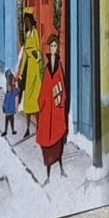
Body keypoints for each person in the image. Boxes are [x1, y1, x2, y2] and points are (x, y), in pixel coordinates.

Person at [34, 38, 67, 180]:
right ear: (49, 47)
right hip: (48, 107)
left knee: (57, 139)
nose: (53, 48)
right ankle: (47, 174)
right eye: (51, 46)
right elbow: (45, 86)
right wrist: (41, 102)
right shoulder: (47, 67)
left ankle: (60, 168)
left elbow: (61, 85)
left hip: (56, 106)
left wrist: (60, 100)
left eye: (55, 45)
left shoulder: (58, 65)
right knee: (46, 139)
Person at [16, 11, 45, 142]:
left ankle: (39, 129)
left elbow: (39, 54)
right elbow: (24, 59)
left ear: (31, 21)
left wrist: (37, 58)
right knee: (28, 103)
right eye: (25, 22)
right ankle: (28, 128)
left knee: (36, 102)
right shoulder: (28, 35)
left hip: (35, 72)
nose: (26, 24)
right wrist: (21, 73)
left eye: (28, 21)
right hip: (29, 73)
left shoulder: (36, 34)